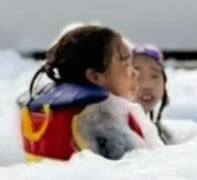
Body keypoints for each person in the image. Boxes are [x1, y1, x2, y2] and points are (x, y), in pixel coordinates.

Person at [19, 25, 162, 162]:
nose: (135, 73)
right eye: (126, 65)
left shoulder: (54, 111)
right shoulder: (102, 119)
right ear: (95, 77)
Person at [131, 44, 175, 144]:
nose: (147, 86)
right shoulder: (112, 132)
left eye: (155, 76)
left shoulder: (165, 134)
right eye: (136, 76)